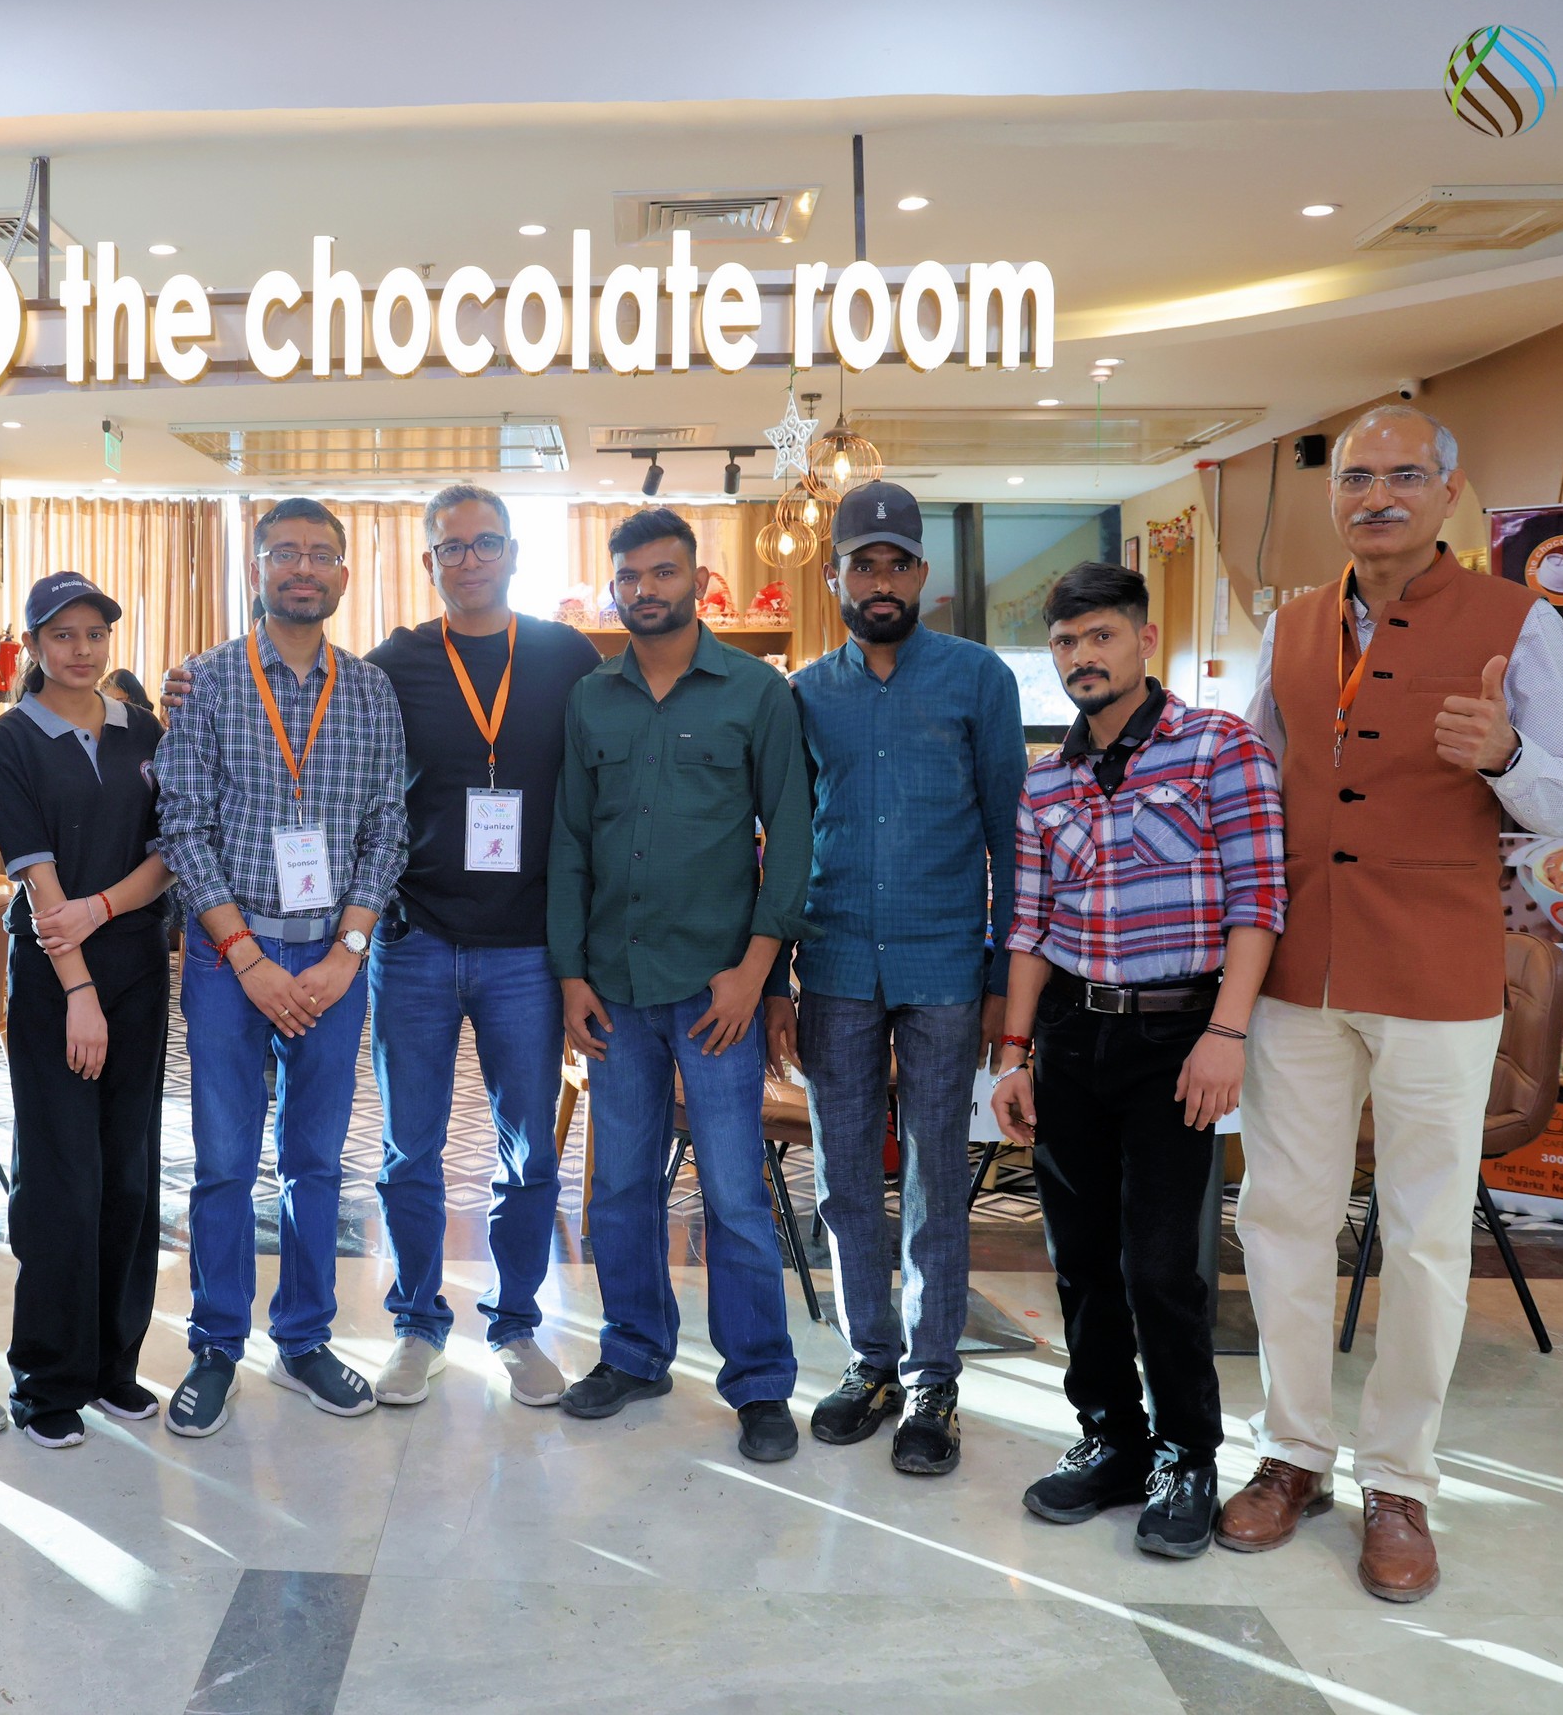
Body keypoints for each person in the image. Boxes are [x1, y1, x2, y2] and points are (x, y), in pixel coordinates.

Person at [1221, 405, 1563, 1600]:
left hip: (1437, 974)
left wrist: (1504, 756)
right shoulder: (1288, 625)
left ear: (1448, 491)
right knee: (1281, 1215)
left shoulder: (1518, 620)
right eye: (1355, 477)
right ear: (1333, 496)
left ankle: (1399, 1483)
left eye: (1402, 475)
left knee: (1427, 1232)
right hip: (1300, 970)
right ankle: (1293, 1454)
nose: (1376, 496)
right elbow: (1254, 780)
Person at [988, 562, 1286, 1558]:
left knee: (1161, 1265)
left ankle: (1186, 1455)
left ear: (1145, 640)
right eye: (1065, 643)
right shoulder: (1046, 779)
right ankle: (1111, 1439)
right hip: (1073, 1035)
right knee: (1079, 1258)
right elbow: (1030, 926)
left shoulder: (1219, 747)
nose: (1082, 656)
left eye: (1101, 636)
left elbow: (1260, 902)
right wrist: (1015, 1054)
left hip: (1177, 1037)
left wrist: (1225, 1034)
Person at [768, 480, 1024, 1475]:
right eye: (862, 565)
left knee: (933, 1173)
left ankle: (932, 1378)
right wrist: (779, 975)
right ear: (835, 576)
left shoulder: (977, 680)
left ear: (923, 574)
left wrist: (1004, 975)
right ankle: (869, 1359)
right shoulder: (804, 693)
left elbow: (1010, 834)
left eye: (898, 565)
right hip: (833, 960)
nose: (881, 581)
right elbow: (786, 840)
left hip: (946, 965)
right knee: (841, 1174)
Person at [549, 506, 813, 1464]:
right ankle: (633, 1353)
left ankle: (760, 1383)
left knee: (734, 1194)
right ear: (614, 587)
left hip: (717, 995)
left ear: (698, 583)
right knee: (620, 1187)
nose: (646, 590)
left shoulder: (756, 693)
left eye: (664, 573)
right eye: (630, 577)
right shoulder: (592, 699)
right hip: (614, 988)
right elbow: (570, 842)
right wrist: (570, 974)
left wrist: (758, 972)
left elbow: (793, 836)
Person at [153, 497, 409, 1436]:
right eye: (285, 553)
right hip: (231, 958)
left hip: (334, 960)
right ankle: (216, 1345)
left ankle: (303, 1339)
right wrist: (246, 955)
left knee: (316, 1161)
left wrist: (348, 951)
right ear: (257, 568)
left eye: (321, 554)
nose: (304, 568)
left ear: (343, 572)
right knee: (224, 1162)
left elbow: (389, 828)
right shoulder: (208, 683)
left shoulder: (372, 692)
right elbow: (183, 828)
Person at [360, 485, 602, 1407]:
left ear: (512, 554)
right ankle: (416, 1325)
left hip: (527, 950)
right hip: (414, 939)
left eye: (486, 543)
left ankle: (516, 1323)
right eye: (451, 547)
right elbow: (317, 730)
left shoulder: (565, 656)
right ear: (429, 561)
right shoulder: (395, 664)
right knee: (408, 1150)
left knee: (528, 1152)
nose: (469, 560)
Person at [0, 572, 177, 1448]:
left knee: (129, 1173)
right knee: (63, 1179)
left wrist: (104, 910)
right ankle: (48, 1379)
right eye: (63, 635)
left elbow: (171, 850)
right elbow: (37, 878)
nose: (82, 650)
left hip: (136, 966)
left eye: (95, 634)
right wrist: (80, 992)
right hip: (57, 981)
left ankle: (113, 1365)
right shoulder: (10, 740)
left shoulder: (145, 731)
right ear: (32, 646)